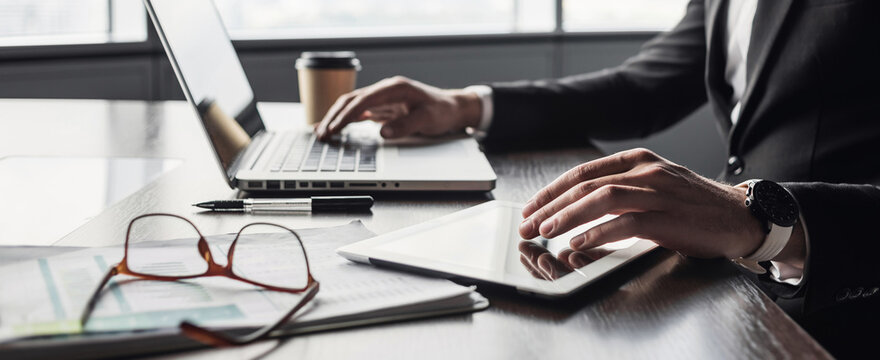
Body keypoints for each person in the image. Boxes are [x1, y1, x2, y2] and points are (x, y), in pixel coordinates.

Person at [315, 0, 879, 357]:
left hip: (844, 308)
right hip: (729, 286)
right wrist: (465, 106)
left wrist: (765, 222)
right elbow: (642, 87)